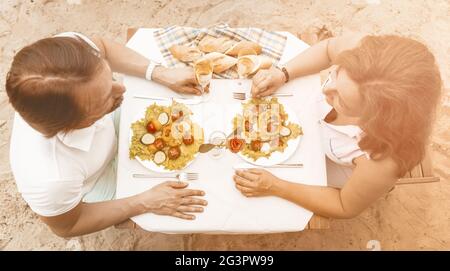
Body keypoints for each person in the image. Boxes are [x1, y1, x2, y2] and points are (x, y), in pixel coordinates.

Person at [6, 32, 207, 237]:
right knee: (180, 200)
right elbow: (68, 226)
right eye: (105, 98)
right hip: (95, 179)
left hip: (104, 132)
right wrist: (144, 202)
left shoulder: (65, 60)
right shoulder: (52, 180)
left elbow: (103, 47)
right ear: (76, 124)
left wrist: (160, 72)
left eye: (110, 77)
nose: (122, 88)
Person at [233, 34, 442, 218]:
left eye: (341, 100)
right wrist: (283, 73)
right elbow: (327, 48)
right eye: (334, 75)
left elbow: (344, 206)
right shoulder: (368, 59)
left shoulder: (384, 160)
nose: (326, 91)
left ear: (373, 120)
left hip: (340, 170)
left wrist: (276, 186)